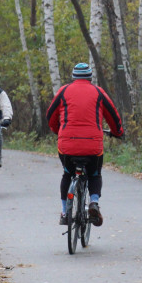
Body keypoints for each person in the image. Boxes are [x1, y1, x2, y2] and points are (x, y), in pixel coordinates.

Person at [46, 62, 124, 226]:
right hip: (92, 145)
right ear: (90, 77)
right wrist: (118, 132)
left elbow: (50, 115)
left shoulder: (64, 91)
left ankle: (65, 212)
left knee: (68, 174)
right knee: (94, 173)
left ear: (73, 77)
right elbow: (113, 116)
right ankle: (94, 202)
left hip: (67, 145)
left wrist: (56, 130)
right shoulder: (98, 92)